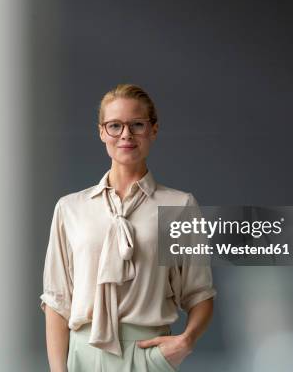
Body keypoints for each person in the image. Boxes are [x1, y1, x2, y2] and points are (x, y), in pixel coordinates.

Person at [40, 84, 216, 371]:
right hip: (83, 356)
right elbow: (57, 302)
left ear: (153, 130)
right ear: (101, 132)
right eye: (115, 126)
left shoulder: (178, 206)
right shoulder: (70, 209)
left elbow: (200, 293)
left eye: (137, 124)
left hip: (147, 354)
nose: (126, 134)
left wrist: (186, 341)